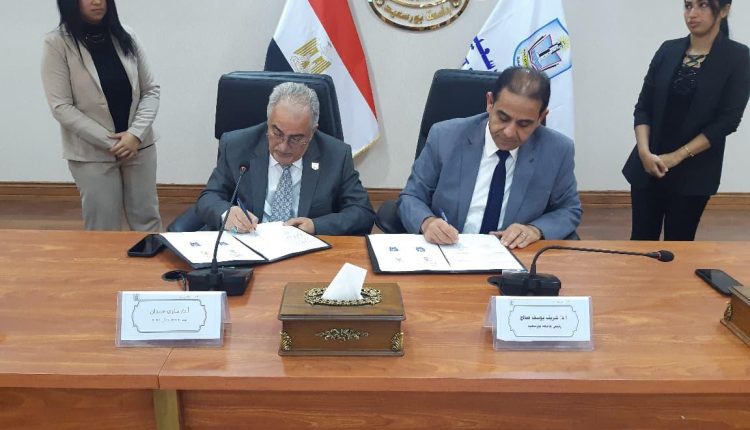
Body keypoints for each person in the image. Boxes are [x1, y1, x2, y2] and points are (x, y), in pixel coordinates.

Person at [398, 66, 581, 249]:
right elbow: (411, 197)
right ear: (490, 102)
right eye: (503, 118)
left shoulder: (557, 151)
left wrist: (535, 230)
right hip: (449, 249)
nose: (509, 132)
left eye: (524, 124)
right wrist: (427, 222)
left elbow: (568, 209)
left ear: (541, 117)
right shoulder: (445, 136)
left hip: (513, 254)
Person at [622, 0, 749, 241]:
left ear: (724, 10)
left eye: (703, 5)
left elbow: (727, 121)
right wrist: (644, 152)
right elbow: (643, 107)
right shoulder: (667, 49)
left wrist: (676, 156)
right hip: (649, 166)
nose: (692, 13)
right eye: (688, 5)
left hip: (694, 173)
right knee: (640, 242)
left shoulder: (738, 56)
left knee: (679, 245)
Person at [41, 0, 161, 231]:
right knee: (103, 227)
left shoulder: (127, 35)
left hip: (139, 145)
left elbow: (150, 90)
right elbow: (61, 106)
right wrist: (114, 143)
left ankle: (149, 258)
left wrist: (135, 134)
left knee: (147, 220)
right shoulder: (57, 43)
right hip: (92, 153)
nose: (97, 1)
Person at [196, 82, 375, 236]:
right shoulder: (237, 146)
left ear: (312, 132)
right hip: (248, 244)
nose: (283, 146)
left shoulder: (336, 155)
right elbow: (209, 198)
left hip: (305, 251)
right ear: (268, 122)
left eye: (296, 138)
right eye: (277, 133)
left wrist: (316, 226)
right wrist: (226, 213)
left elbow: (362, 212)